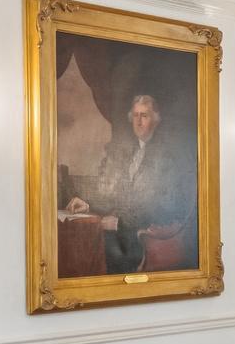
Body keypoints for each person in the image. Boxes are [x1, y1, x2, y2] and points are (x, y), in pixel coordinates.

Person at [65, 94, 196, 272]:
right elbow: (117, 195)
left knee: (103, 251)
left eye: (144, 115)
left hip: (146, 235)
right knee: (84, 246)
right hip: (126, 231)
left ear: (156, 120)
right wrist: (87, 203)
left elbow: (163, 206)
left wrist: (120, 222)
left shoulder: (166, 156)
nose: (139, 121)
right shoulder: (132, 151)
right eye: (135, 115)